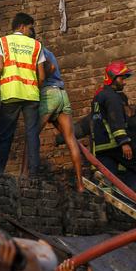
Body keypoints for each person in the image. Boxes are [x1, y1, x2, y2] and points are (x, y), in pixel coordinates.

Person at [0, 13, 45, 176]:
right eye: (30, 27)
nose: (31, 31)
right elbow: (42, 76)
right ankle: (34, 172)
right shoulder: (36, 45)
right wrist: (34, 87)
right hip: (31, 95)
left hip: (11, 93)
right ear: (22, 26)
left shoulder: (1, 42)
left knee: (5, 134)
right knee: (32, 134)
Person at [38, 46, 84, 192]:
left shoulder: (36, 49)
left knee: (31, 134)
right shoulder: (49, 51)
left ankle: (25, 173)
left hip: (48, 94)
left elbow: (49, 67)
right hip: (62, 93)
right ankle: (80, 184)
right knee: (71, 139)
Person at [91, 61, 136, 190]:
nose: (124, 82)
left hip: (101, 147)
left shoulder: (98, 96)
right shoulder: (113, 97)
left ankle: (116, 202)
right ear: (113, 78)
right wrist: (124, 143)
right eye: (122, 78)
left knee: (110, 179)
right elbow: (115, 121)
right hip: (115, 145)